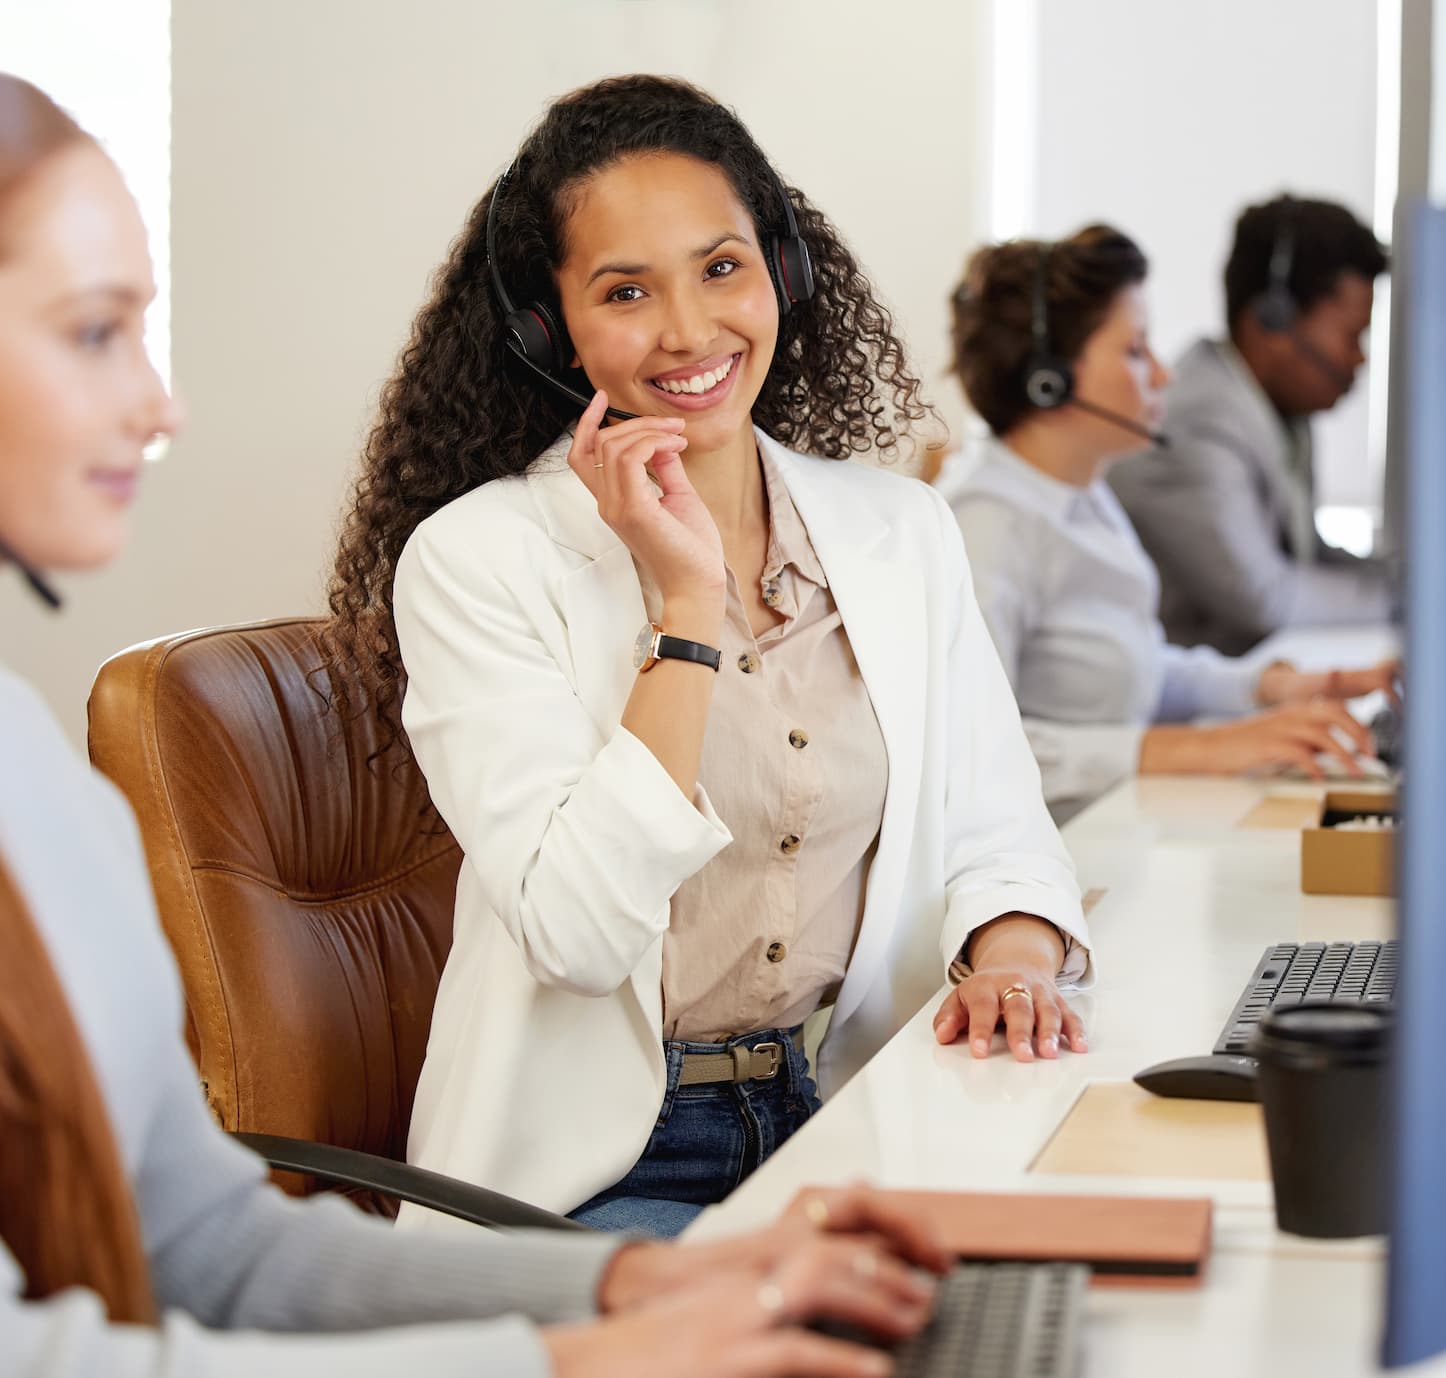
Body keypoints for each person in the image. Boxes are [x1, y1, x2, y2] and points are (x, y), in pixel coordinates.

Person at [0, 71, 953, 1378]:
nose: (160, 405)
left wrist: (636, 1281)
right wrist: (585, 1358)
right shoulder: (482, 557)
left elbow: (218, 1249)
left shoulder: (28, 771)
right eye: (95, 332)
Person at [320, 75, 1094, 1239]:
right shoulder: (477, 559)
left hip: (859, 1112)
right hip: (603, 1169)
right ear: (548, 328)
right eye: (626, 290)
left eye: (721, 267)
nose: (689, 331)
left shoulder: (899, 533)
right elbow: (578, 936)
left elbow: (995, 824)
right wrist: (687, 606)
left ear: (783, 269)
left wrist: (1015, 959)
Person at [942, 226, 1395, 822]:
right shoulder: (987, 527)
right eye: (1136, 351)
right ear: (1048, 378)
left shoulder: (1083, 497)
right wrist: (1203, 748)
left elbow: (1130, 667)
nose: (1164, 374)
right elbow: (966, 750)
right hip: (1038, 860)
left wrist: (1265, 690)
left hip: (1112, 825)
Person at [1106, 194, 1392, 654]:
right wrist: (1406, 600)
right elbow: (1266, 600)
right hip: (1179, 706)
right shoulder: (1197, 424)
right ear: (1271, 321)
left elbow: (1305, 556)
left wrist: (1403, 579)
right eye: (1351, 335)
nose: (1359, 358)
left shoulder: (1278, 412)